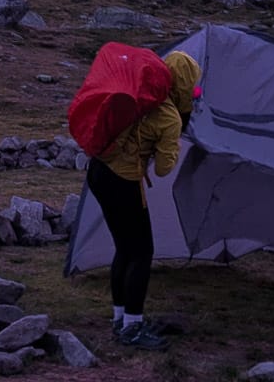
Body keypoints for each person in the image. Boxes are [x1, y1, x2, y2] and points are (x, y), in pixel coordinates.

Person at [84, 49, 202, 351]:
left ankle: (120, 319)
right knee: (141, 252)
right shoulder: (169, 117)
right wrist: (171, 144)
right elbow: (163, 169)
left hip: (97, 171)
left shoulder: (139, 94)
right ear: (185, 83)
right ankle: (133, 328)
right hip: (122, 182)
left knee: (125, 248)